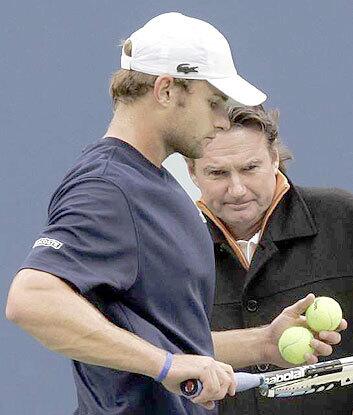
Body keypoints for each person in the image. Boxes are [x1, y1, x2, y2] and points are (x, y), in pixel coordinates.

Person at [5, 13, 346, 415]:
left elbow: (169, 340)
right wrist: (164, 365)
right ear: (166, 90)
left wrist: (262, 345)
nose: (222, 121)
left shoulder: (161, 186)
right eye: (214, 102)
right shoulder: (107, 186)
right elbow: (31, 299)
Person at [186, 105, 353, 415]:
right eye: (218, 172)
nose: (237, 189)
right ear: (192, 172)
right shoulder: (170, 249)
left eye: (250, 168)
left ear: (275, 158)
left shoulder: (343, 217)